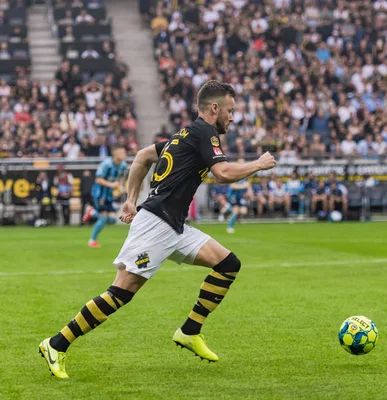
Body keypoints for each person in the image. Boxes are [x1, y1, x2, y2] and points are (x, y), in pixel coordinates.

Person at [38, 80, 276, 379]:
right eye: (230, 110)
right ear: (214, 108)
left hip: (173, 225)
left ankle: (189, 331)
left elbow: (142, 157)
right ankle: (56, 344)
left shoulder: (184, 135)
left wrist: (129, 201)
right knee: (121, 292)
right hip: (156, 224)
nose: (232, 116)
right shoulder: (205, 132)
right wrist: (258, 164)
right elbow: (223, 173)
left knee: (227, 264)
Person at [81, 146, 128, 248]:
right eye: (123, 152)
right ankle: (92, 241)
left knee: (112, 220)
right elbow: (98, 179)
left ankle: (92, 212)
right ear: (116, 155)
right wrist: (112, 185)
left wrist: (120, 187)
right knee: (103, 218)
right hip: (99, 194)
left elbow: (120, 178)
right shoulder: (106, 164)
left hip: (109, 196)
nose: (125, 154)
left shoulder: (123, 165)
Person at [226, 161, 252, 233]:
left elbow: (248, 186)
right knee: (236, 210)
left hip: (240, 196)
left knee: (244, 211)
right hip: (233, 195)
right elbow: (232, 186)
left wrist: (250, 193)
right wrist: (243, 186)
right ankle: (229, 227)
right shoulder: (234, 174)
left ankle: (228, 208)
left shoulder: (245, 175)